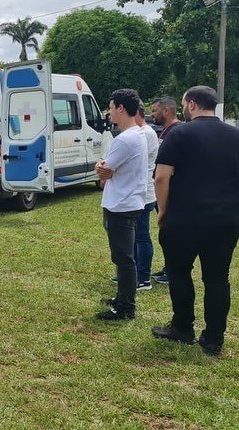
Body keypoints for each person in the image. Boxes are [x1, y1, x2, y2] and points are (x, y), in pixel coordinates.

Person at [150, 86, 239, 356]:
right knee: (218, 279)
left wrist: (163, 209)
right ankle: (213, 338)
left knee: (179, 273)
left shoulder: (179, 134)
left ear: (192, 105)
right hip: (225, 220)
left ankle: (182, 327)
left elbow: (162, 176)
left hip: (183, 218)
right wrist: (237, 203)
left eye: (185, 104)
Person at [94, 88, 148, 321]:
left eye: (111, 107)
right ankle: (122, 298)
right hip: (128, 202)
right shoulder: (138, 135)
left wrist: (100, 168)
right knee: (123, 257)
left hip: (122, 205)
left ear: (121, 108)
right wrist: (103, 168)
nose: (109, 112)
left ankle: (126, 307)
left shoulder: (125, 140)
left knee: (124, 259)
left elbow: (104, 172)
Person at [148, 96, 182, 284]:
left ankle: (173, 270)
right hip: (163, 191)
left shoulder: (176, 132)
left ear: (166, 111)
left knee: (172, 235)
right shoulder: (166, 131)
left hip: (171, 192)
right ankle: (169, 267)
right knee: (167, 235)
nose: (152, 115)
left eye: (154, 110)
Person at [133, 105, 160, 289]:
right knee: (134, 236)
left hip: (145, 193)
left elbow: (139, 162)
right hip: (138, 193)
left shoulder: (147, 134)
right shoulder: (140, 132)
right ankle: (132, 273)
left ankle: (144, 277)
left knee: (142, 236)